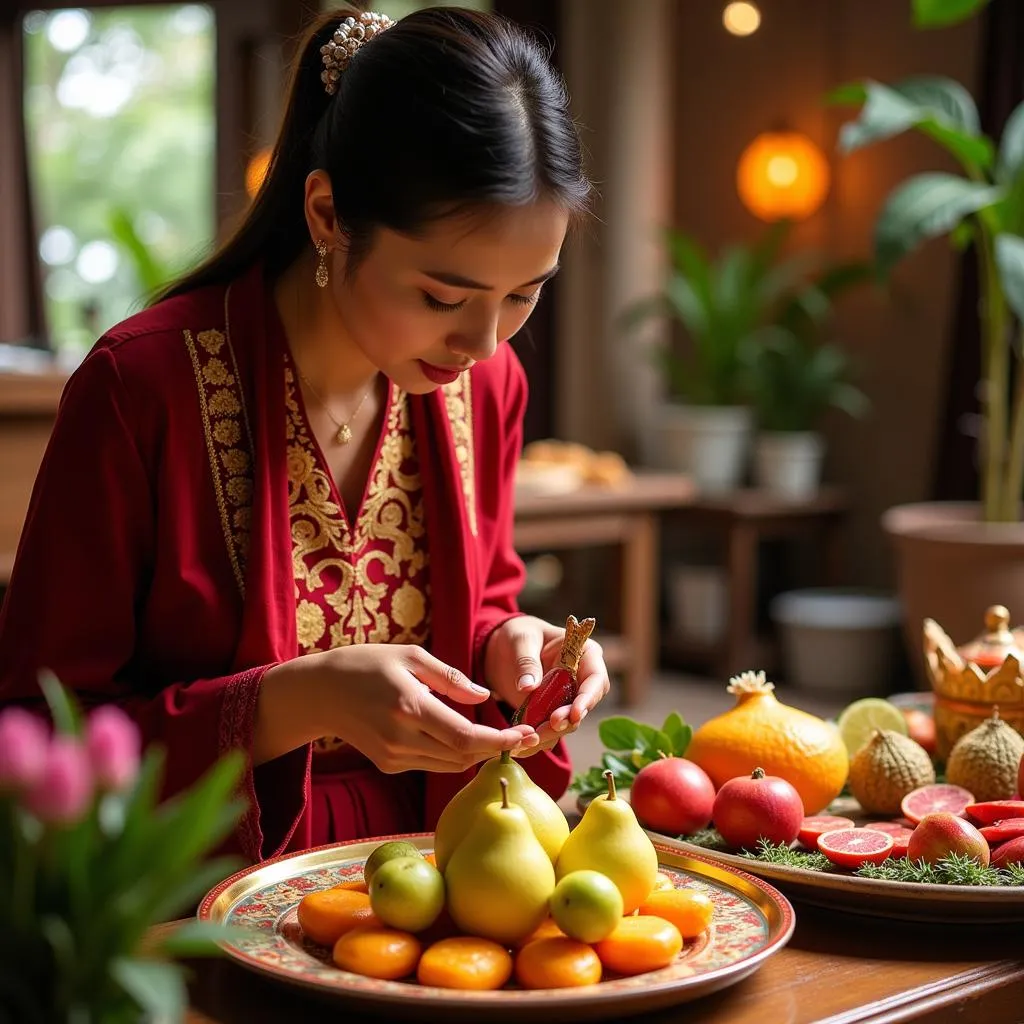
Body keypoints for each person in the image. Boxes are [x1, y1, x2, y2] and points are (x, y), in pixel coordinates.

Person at [0, 5, 609, 863]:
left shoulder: (488, 386)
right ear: (327, 214)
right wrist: (288, 704)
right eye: (442, 297)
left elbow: (484, 601)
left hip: (446, 860)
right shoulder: (143, 387)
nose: (482, 345)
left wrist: (511, 644)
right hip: (208, 883)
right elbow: (37, 733)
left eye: (524, 294)